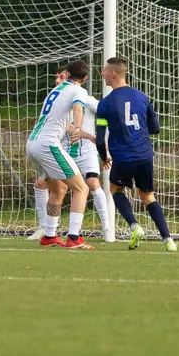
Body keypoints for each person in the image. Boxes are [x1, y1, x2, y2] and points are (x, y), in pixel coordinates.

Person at [96, 57, 177, 252]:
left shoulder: (105, 104)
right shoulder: (142, 96)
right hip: (144, 155)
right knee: (148, 196)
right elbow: (155, 127)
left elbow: (100, 139)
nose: (102, 73)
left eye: (105, 70)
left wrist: (104, 157)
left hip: (123, 157)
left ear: (113, 74)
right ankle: (168, 240)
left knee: (115, 190)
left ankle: (134, 226)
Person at [25, 59, 94, 249]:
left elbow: (63, 123)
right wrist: (80, 127)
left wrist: (86, 135)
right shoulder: (79, 91)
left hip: (32, 144)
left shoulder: (57, 90)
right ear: (85, 78)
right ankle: (74, 238)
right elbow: (78, 108)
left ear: (67, 74)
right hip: (49, 146)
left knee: (59, 189)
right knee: (81, 188)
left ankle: (49, 235)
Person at [65, 83, 115, 243]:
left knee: (93, 183)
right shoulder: (61, 102)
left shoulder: (88, 100)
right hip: (65, 151)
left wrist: (105, 146)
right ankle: (47, 228)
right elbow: (67, 127)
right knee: (52, 185)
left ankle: (107, 228)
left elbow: (108, 115)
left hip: (88, 152)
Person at [28, 69, 68, 240]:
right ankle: (47, 228)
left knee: (84, 187)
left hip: (75, 152)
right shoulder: (55, 99)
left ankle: (65, 232)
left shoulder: (76, 97)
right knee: (42, 184)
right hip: (52, 148)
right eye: (56, 77)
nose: (57, 81)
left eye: (62, 77)